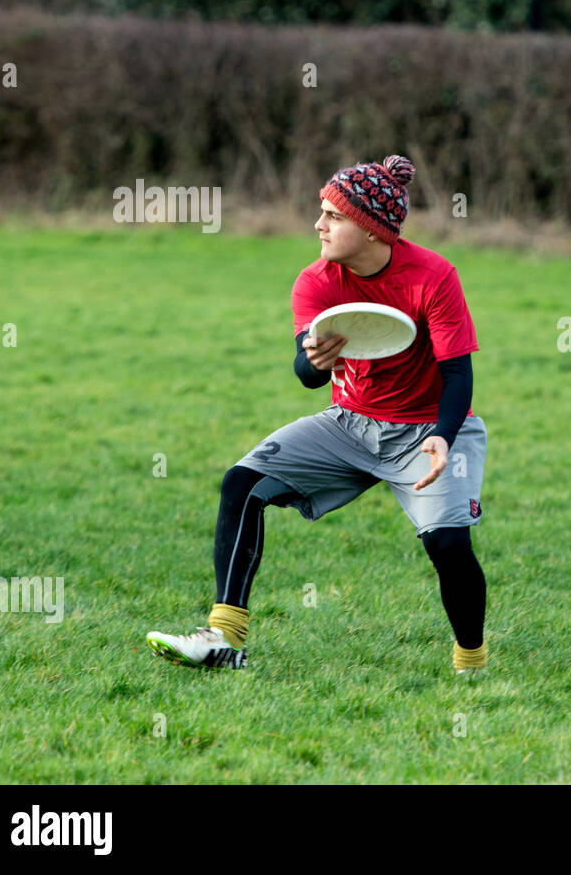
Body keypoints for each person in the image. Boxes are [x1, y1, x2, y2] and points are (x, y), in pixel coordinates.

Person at [147, 154, 490, 671]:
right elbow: (307, 376)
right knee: (242, 483)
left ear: (372, 230)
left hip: (430, 429)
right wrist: (313, 361)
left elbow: (458, 373)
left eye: (333, 215)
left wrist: (444, 435)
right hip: (350, 423)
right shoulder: (315, 281)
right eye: (321, 212)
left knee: (447, 545)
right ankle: (223, 637)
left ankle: (471, 664)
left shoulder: (434, 275)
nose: (318, 224)